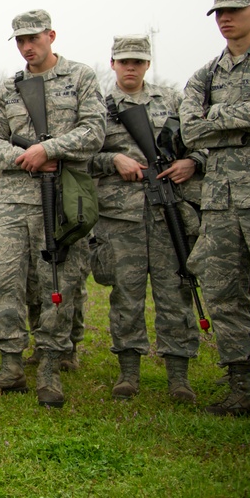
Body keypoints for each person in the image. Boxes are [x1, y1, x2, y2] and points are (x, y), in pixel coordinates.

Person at [0, 9, 105, 408]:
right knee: (1, 281)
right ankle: (11, 365)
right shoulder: (7, 89)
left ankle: (48, 366)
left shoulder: (80, 78)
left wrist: (50, 149)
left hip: (62, 198)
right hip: (11, 200)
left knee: (57, 283)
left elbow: (95, 131)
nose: (28, 47)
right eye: (21, 41)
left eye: (34, 38)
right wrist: (26, 157)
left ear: (51, 36)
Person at [89, 35, 203, 402]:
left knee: (175, 293)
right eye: (124, 61)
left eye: (137, 61)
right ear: (113, 64)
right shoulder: (98, 109)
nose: (131, 68)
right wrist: (113, 161)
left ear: (148, 64)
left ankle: (179, 376)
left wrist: (192, 162)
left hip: (168, 211)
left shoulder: (171, 102)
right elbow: (81, 157)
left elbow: (197, 143)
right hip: (121, 217)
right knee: (126, 296)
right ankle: (128, 372)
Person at [179, 0, 250, 416]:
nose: (225, 19)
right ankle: (242, 387)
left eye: (234, 10)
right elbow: (190, 128)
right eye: (219, 13)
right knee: (224, 291)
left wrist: (217, 117)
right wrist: (245, 116)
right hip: (219, 199)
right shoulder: (205, 75)